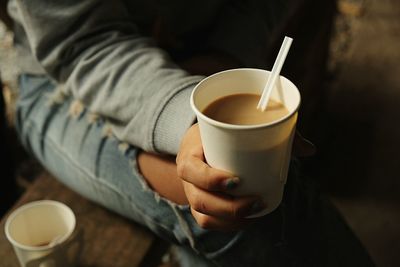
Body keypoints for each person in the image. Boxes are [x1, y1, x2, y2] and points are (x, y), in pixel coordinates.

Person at [7, 0, 375, 266]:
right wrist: (184, 112)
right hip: (70, 76)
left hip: (208, 50)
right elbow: (81, 42)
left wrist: (225, 52)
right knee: (236, 199)